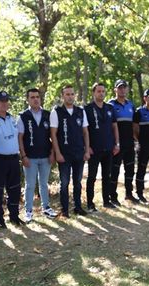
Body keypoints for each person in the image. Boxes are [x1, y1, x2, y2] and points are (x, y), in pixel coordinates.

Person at [50, 85, 90, 217]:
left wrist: (87, 150)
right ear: (62, 96)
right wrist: (57, 153)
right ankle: (65, 210)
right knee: (64, 183)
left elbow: (85, 132)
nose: (70, 97)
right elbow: (53, 135)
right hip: (64, 154)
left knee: (77, 182)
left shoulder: (80, 111)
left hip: (79, 152)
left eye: (72, 94)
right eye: (67, 94)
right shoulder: (57, 112)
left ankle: (78, 207)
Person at [18, 88, 57, 222]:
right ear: (27, 99)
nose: (35, 99)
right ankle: (28, 211)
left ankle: (46, 207)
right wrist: (23, 156)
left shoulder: (47, 114)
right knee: (29, 184)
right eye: (32, 97)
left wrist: (52, 153)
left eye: (37, 97)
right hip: (30, 157)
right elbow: (20, 138)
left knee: (44, 184)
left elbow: (53, 136)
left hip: (46, 156)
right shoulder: (23, 116)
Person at [0, 90, 24, 227]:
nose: (4, 103)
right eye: (1, 101)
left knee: (14, 188)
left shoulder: (12, 118)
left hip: (13, 159)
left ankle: (14, 216)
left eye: (6, 101)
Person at [84, 82, 120, 211]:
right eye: (98, 91)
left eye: (103, 91)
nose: (101, 93)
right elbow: (84, 130)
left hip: (109, 148)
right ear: (93, 93)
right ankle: (90, 203)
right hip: (94, 149)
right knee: (92, 177)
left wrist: (117, 144)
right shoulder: (87, 109)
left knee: (107, 176)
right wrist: (86, 147)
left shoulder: (110, 108)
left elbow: (114, 126)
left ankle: (107, 201)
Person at [108, 79, 137, 204]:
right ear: (115, 89)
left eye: (124, 87)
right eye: (120, 87)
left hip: (129, 143)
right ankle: (112, 197)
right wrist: (114, 143)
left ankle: (129, 194)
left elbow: (134, 125)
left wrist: (136, 140)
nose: (122, 90)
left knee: (130, 169)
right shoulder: (110, 105)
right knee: (114, 171)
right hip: (116, 144)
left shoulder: (131, 105)